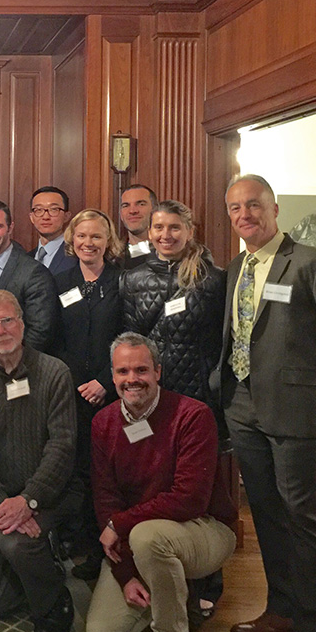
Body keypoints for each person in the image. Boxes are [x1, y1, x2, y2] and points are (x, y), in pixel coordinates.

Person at [217, 174, 316, 632]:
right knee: (268, 517)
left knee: (303, 517)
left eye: (253, 205)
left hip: (298, 410)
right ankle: (281, 610)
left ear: (274, 209)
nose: (244, 215)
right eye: (235, 208)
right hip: (243, 406)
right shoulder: (237, 268)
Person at [85, 334, 237, 632]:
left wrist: (120, 525)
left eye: (141, 370)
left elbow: (189, 499)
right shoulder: (103, 423)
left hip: (205, 527)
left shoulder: (193, 416)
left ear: (158, 372)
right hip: (141, 538)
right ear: (112, 377)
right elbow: (105, 500)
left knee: (146, 537)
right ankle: (176, 593)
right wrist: (126, 574)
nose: (132, 380)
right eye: (123, 372)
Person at [0, 289, 78, 632]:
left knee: (15, 547)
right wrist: (1, 505)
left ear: (22, 324)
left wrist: (29, 501)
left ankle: (53, 602)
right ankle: (45, 563)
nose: (1, 330)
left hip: (47, 497)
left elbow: (62, 445)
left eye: (8, 320)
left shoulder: (55, 372)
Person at [53, 209, 125, 580]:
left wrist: (105, 381)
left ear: (108, 241)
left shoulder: (121, 280)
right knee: (77, 470)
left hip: (112, 393)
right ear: (72, 239)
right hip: (70, 393)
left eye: (96, 237)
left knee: (108, 473)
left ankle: (107, 550)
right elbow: (53, 339)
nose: (88, 243)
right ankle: (81, 545)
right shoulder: (59, 280)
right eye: (81, 236)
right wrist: (72, 380)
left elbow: (128, 337)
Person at [120, 200, 225, 406]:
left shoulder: (213, 279)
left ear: (190, 232)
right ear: (150, 232)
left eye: (174, 227)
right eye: (159, 227)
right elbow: (130, 338)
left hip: (199, 392)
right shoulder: (132, 279)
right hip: (149, 390)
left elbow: (221, 339)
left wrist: (213, 381)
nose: (166, 235)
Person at [0, 199, 59, 356]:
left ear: (10, 228)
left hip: (15, 369)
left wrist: (10, 365)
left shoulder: (33, 273)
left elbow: (40, 332)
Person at [30, 186, 76, 274]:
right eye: (39, 210)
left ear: (67, 216)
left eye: (54, 209)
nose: (46, 217)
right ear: (31, 217)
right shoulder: (26, 258)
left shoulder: (76, 255)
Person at [119, 184, 157, 270]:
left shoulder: (170, 255)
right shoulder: (111, 258)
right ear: (121, 214)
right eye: (126, 205)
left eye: (141, 204)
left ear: (155, 210)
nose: (132, 211)